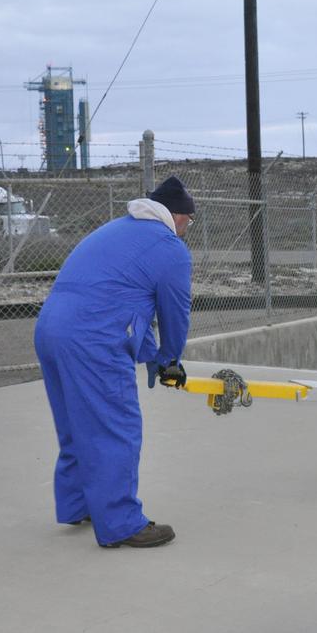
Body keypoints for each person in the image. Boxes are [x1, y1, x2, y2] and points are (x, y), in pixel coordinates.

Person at [34, 176, 195, 548]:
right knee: (114, 429)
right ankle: (122, 522)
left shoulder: (116, 230)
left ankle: (79, 504)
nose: (188, 228)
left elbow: (127, 298)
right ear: (179, 216)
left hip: (51, 331)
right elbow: (174, 311)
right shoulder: (169, 247)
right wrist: (170, 358)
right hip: (94, 341)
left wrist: (151, 355)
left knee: (76, 424)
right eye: (190, 221)